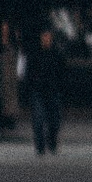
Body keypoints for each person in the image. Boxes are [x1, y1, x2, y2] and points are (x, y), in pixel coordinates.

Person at [26, 24, 66, 157]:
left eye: (48, 36)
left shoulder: (57, 53)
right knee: (38, 120)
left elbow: (62, 72)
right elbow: (29, 72)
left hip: (53, 91)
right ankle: (40, 147)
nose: (46, 39)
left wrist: (60, 87)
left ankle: (51, 142)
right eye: (44, 36)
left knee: (54, 122)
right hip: (38, 91)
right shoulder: (35, 54)